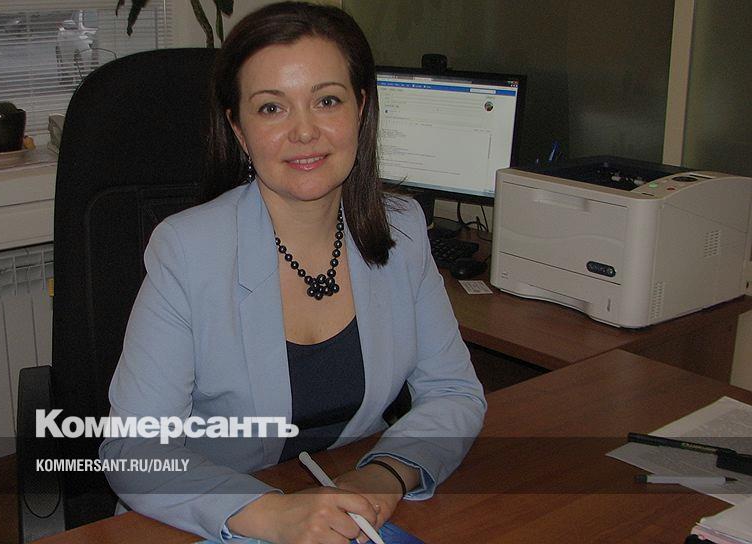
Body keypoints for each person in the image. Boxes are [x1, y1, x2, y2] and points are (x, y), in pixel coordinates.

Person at [100, 3, 486, 543]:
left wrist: (383, 474)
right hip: (207, 519)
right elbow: (135, 449)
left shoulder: (402, 230)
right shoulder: (187, 250)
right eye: (271, 108)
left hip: (353, 509)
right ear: (239, 130)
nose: (304, 131)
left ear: (361, 109)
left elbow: (453, 392)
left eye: (327, 100)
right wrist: (274, 513)